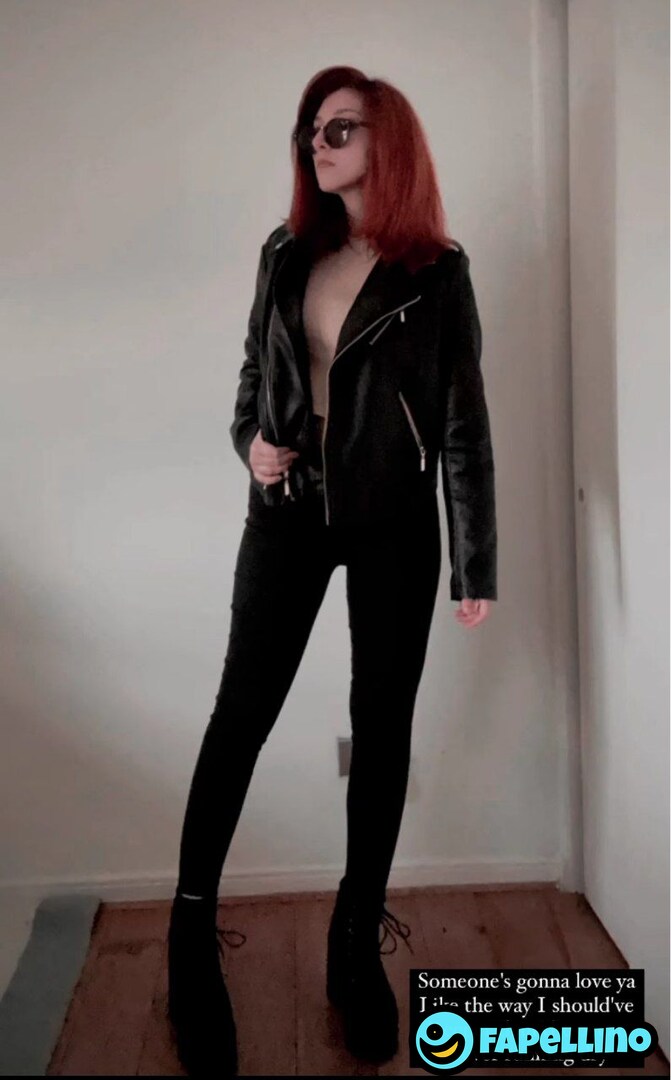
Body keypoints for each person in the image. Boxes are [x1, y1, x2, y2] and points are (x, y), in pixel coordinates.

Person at [167, 64, 497, 1077]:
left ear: (386, 141)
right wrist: (250, 444)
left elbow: (461, 422)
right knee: (240, 715)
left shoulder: (435, 272)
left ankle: (353, 944)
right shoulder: (286, 252)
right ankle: (188, 941)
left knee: (381, 728)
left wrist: (473, 561)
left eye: (339, 127)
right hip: (288, 510)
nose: (317, 142)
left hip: (394, 523)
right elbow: (252, 374)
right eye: (311, 128)